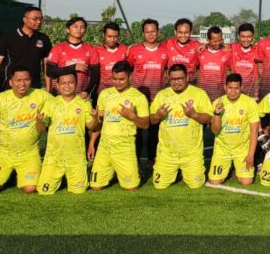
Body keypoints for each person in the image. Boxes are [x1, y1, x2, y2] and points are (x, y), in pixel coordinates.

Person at [0, 66, 51, 195]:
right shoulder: (0, 99)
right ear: (11, 82)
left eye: (26, 79)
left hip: (29, 154)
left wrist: (81, 99)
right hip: (4, 154)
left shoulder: (41, 96)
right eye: (18, 80)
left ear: (31, 80)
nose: (22, 83)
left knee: (30, 189)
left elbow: (61, 103)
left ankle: (20, 175)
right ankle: (9, 174)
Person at [149, 64, 212, 189]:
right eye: (173, 79)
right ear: (168, 79)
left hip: (191, 154)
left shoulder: (199, 94)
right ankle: (176, 172)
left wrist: (194, 114)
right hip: (167, 154)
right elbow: (152, 120)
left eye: (180, 78)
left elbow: (208, 118)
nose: (176, 82)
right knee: (159, 186)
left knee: (196, 185)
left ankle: (186, 171)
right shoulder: (162, 95)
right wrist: (157, 115)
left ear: (187, 77)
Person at [90, 61, 149, 191]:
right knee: (95, 187)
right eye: (114, 79)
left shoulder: (139, 97)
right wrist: (92, 143)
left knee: (131, 189)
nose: (117, 82)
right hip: (105, 146)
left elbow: (145, 125)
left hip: (125, 147)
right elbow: (100, 122)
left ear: (130, 77)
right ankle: (114, 171)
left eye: (121, 79)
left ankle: (134, 172)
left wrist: (132, 116)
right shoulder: (104, 94)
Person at [36, 72, 98, 194]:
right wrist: (38, 121)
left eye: (71, 82)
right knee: (44, 191)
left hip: (76, 159)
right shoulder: (51, 103)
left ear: (76, 84)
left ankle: (76, 175)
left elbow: (91, 126)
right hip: (53, 158)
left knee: (79, 191)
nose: (67, 86)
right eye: (63, 83)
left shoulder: (84, 102)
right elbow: (41, 129)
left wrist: (95, 117)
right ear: (58, 85)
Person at [128, 19, 169, 163]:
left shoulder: (166, 50)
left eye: (153, 31)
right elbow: (127, 70)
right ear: (143, 33)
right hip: (138, 98)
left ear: (158, 32)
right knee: (137, 132)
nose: (150, 34)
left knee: (154, 132)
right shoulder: (134, 50)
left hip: (157, 97)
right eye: (147, 32)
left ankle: (152, 162)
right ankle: (136, 163)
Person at [209, 73, 260, 186]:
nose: (233, 91)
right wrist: (217, 114)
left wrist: (250, 155)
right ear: (225, 87)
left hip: (242, 149)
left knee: (246, 182)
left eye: (236, 88)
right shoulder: (217, 103)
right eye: (230, 88)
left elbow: (254, 131)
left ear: (241, 88)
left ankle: (237, 170)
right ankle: (231, 169)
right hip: (222, 149)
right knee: (215, 182)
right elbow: (215, 131)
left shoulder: (250, 102)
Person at [0, 6, 51, 92]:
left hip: (34, 89)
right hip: (10, 88)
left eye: (41, 19)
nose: (39, 22)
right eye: (35, 19)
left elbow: (46, 66)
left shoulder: (44, 39)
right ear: (25, 20)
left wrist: (48, 89)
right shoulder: (8, 38)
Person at [44, 16, 99, 99]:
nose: (79, 29)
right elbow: (50, 71)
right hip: (60, 95)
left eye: (82, 27)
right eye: (75, 26)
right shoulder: (58, 48)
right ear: (68, 29)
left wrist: (87, 91)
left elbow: (95, 73)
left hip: (81, 95)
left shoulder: (91, 49)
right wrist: (73, 67)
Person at [196, 26, 231, 102]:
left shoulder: (227, 52)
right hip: (202, 96)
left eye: (220, 40)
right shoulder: (200, 52)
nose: (218, 43)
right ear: (208, 40)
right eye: (215, 41)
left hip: (219, 96)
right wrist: (203, 45)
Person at [229, 23, 261, 99]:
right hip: (235, 93)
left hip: (252, 95)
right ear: (238, 37)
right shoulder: (232, 48)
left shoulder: (258, 50)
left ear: (253, 37)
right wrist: (205, 46)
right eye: (243, 37)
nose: (246, 40)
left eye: (249, 37)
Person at [94, 22, 127, 95]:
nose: (112, 39)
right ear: (103, 35)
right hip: (102, 91)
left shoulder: (124, 49)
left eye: (115, 36)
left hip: (120, 91)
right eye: (109, 36)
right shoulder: (96, 50)